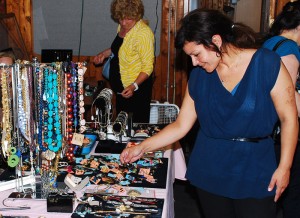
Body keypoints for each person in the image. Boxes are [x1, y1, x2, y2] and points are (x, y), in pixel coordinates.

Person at [120, 9, 299, 218]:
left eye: (196, 55)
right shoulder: (200, 76)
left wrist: (285, 167)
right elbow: (181, 125)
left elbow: (289, 118)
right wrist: (142, 147)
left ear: (216, 40)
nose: (194, 63)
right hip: (210, 170)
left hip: (255, 170)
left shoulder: (267, 63)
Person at [263, 1, 300, 217]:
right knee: (292, 193)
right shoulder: (288, 47)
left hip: (269, 128)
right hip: (282, 130)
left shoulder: (271, 43)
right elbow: (289, 98)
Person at [93, 0, 155, 124]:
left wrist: (133, 86)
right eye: (121, 19)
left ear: (137, 16)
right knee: (122, 126)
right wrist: (103, 54)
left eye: (128, 19)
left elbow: (148, 67)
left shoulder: (143, 33)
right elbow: (119, 48)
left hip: (136, 90)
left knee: (136, 126)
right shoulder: (121, 27)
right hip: (121, 89)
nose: (124, 22)